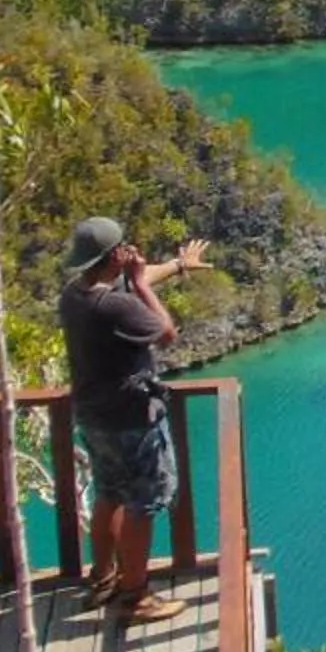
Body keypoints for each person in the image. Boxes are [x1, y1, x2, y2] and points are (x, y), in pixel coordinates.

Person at [58, 215, 209, 623]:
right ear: (114, 257)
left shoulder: (74, 295)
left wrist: (177, 266)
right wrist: (141, 282)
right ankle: (136, 595)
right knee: (143, 504)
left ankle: (103, 577)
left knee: (109, 493)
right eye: (123, 248)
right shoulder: (117, 304)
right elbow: (165, 332)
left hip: (93, 417)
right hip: (132, 418)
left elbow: (127, 284)